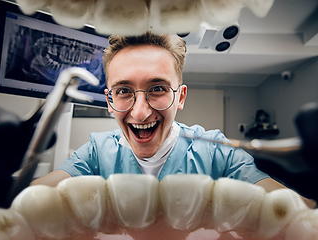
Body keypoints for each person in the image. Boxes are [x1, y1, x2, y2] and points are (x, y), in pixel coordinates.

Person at [31, 32, 315, 207]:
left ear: (180, 97)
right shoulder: (96, 151)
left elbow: (297, 214)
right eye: (123, 91)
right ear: (109, 100)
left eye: (157, 89)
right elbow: (22, 203)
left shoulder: (220, 151)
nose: (140, 112)